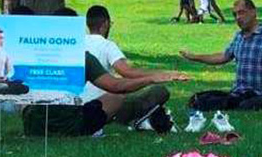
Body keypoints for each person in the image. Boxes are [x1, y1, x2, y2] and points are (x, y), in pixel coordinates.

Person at [180, 0, 262, 111]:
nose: (238, 18)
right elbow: (223, 57)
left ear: (253, 12)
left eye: (241, 12)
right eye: (235, 14)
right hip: (239, 93)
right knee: (200, 99)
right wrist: (195, 57)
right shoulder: (238, 37)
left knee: (244, 106)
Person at [23, 51, 181, 136]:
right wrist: (151, 78)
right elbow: (117, 85)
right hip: (73, 125)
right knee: (118, 98)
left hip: (33, 125)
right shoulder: (82, 57)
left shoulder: (30, 54)